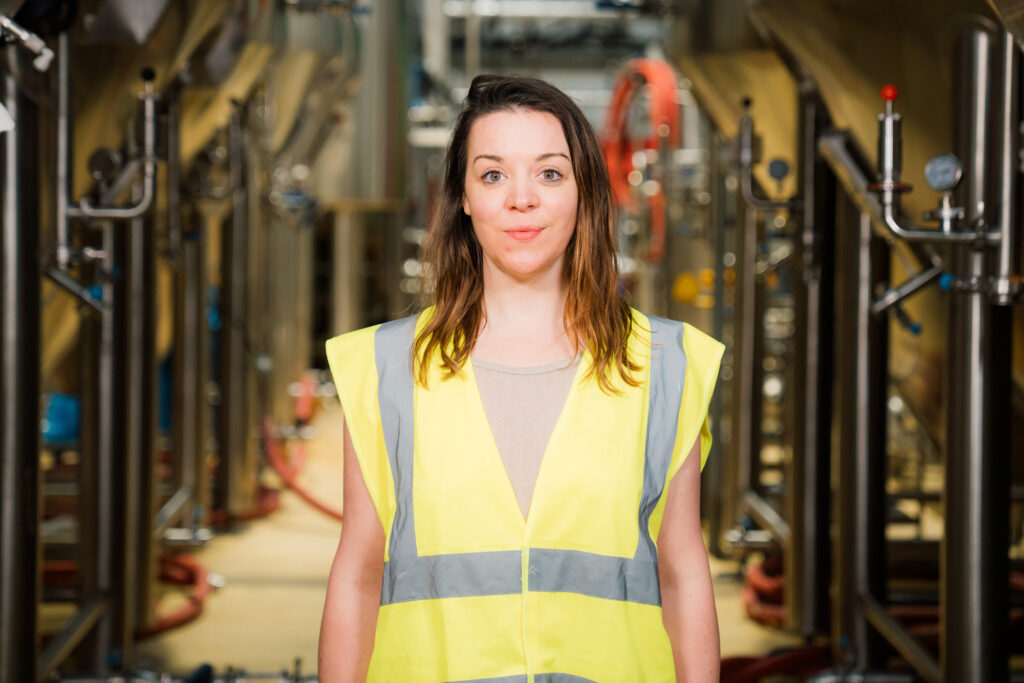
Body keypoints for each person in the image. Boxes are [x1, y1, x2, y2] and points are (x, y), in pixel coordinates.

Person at [318, 74, 724, 682]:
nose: (521, 199)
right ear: (462, 196)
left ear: (584, 192)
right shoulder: (383, 368)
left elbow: (683, 572)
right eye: (492, 174)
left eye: (550, 173)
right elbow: (358, 574)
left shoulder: (665, 363)